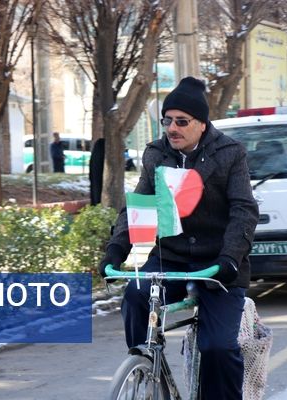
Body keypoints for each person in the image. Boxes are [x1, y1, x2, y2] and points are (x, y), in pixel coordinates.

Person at [98, 76, 259, 399]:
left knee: (217, 348)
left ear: (201, 124)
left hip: (218, 264)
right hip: (169, 257)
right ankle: (144, 360)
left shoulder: (230, 153)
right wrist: (116, 248)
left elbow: (244, 209)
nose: (173, 128)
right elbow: (140, 206)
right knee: (135, 295)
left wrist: (230, 257)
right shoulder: (156, 154)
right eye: (167, 121)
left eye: (182, 122)